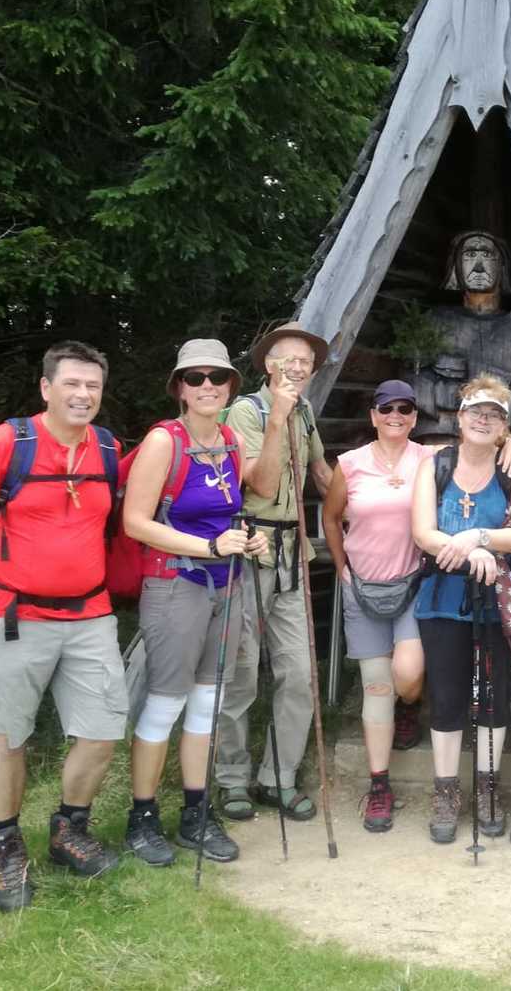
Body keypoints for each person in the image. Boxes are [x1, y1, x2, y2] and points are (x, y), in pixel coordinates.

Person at [0, 340, 129, 912]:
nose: (82, 394)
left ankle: (69, 830)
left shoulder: (109, 449)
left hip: (91, 614)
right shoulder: (4, 444)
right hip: (16, 614)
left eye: (92, 385)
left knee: (102, 730)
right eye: (71, 383)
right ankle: (6, 846)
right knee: (9, 733)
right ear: (46, 387)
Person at [323, 379, 511, 833]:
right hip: (375, 586)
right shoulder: (352, 464)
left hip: (417, 583)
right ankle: (384, 784)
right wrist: (340, 566)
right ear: (373, 414)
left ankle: (412, 710)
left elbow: (482, 440)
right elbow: (332, 516)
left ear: (416, 417)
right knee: (379, 685)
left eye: (404, 409)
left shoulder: (427, 457)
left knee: (411, 675)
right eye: (386, 408)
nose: (395, 415)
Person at [121, 339, 268, 868]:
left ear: (231, 386)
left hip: (225, 586)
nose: (207, 386)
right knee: (165, 703)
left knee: (207, 704)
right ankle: (142, 817)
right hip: (173, 585)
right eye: (195, 377)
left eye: (218, 377)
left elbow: (228, 514)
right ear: (179, 388)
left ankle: (195, 813)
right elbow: (135, 522)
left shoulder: (231, 440)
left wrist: (248, 538)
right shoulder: (165, 440)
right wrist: (210, 547)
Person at [213, 322, 334, 824]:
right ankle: (231, 779)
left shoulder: (305, 412)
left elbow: (322, 474)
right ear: (268, 364)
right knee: (241, 674)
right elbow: (258, 484)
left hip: (292, 555)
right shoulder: (247, 411)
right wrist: (277, 417)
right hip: (250, 551)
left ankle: (277, 777)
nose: (300, 368)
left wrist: (374, 507)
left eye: (307, 362)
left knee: (300, 675)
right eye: (291, 359)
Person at [411, 376, 511, 844]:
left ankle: (487, 788)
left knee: (493, 694)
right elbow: (423, 531)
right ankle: (446, 791)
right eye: (476, 412)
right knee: (446, 695)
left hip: (498, 600)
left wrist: (477, 538)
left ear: (504, 426)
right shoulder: (435, 465)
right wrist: (472, 554)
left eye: (494, 414)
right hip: (443, 597)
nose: (484, 420)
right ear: (460, 417)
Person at [412, 230, 511, 439]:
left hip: (498, 443)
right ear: (455, 266)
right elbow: (411, 387)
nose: (478, 267)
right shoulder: (433, 322)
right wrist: (453, 394)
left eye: (487, 256)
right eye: (469, 255)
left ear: (502, 266)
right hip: (439, 439)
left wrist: (485, 401)